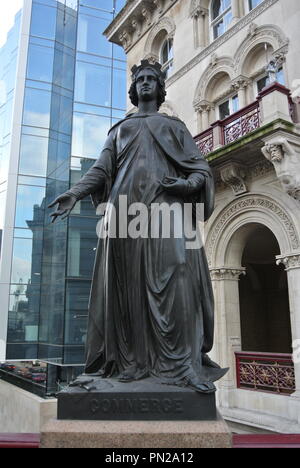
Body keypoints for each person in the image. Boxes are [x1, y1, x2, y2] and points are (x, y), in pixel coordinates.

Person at [49, 60, 227, 394]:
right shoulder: (119, 130)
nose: (145, 83)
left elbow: (200, 170)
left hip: (167, 210)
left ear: (160, 89)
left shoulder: (174, 127)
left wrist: (186, 187)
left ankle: (182, 366)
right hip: (124, 214)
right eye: (140, 79)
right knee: (126, 289)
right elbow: (101, 170)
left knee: (178, 275)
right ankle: (126, 366)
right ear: (134, 90)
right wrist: (74, 193)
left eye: (151, 79)